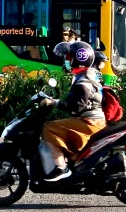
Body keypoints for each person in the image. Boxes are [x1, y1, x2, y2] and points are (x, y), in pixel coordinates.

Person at [38, 41, 105, 182]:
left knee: (49, 127)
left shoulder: (84, 82)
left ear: (79, 58)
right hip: (90, 120)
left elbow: (75, 109)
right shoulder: (86, 75)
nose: (67, 61)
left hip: (90, 123)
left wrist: (55, 103)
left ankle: (62, 168)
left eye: (69, 58)